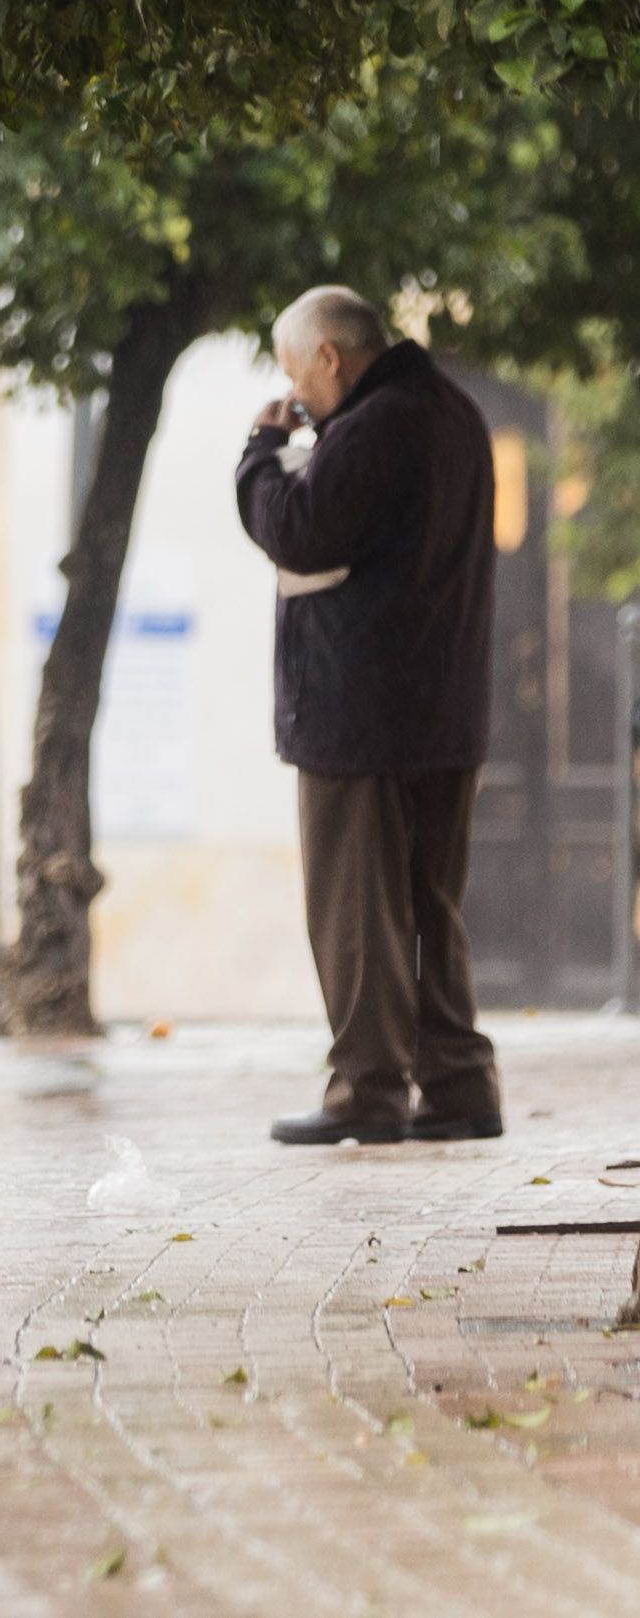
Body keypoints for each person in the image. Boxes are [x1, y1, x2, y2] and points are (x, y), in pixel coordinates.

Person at [234, 286, 501, 1146]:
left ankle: (367, 1091)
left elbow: (300, 531)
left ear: (328, 357)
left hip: (359, 714)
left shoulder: (374, 425)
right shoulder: (452, 414)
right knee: (428, 907)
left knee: (356, 914)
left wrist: (259, 452)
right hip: (442, 711)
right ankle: (458, 1086)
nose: (295, 395)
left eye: (294, 374)